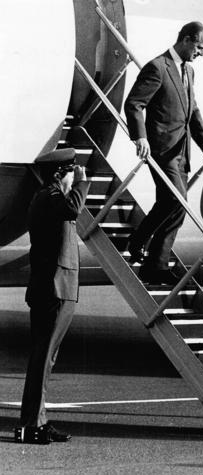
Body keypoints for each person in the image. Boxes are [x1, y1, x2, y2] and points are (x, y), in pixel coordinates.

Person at [124, 21, 203, 285]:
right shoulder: (158, 67)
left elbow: (193, 110)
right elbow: (134, 104)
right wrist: (140, 137)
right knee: (176, 201)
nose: (201, 53)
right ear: (186, 40)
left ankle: (153, 261)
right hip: (162, 150)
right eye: (199, 47)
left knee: (174, 204)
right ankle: (147, 251)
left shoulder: (188, 71)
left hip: (182, 151)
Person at [15, 148, 90, 444]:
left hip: (59, 287)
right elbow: (72, 209)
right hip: (54, 288)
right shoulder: (50, 197)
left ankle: (37, 421)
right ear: (61, 174)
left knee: (46, 359)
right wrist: (84, 184)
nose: (76, 176)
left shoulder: (50, 198)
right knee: (43, 359)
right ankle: (31, 425)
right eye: (72, 171)